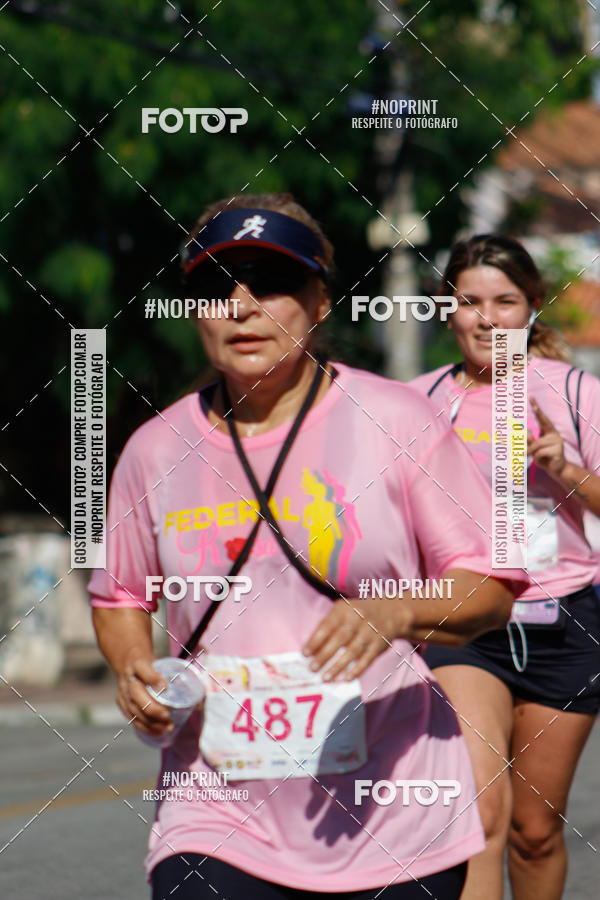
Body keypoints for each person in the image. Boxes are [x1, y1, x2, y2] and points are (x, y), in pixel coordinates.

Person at [89, 195, 525, 900]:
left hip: (395, 816)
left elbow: (490, 588)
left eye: (270, 281)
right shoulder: (153, 450)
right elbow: (120, 594)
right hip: (217, 813)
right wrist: (134, 664)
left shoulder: (395, 421)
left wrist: (397, 614)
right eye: (213, 287)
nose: (241, 305)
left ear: (320, 301)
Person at [411, 234, 600, 900]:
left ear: (532, 306)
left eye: (505, 301)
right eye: (469, 302)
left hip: (567, 622)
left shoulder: (576, 392)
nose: (487, 318)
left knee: (535, 830)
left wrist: (563, 466)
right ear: (448, 310)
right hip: (463, 629)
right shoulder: (416, 400)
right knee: (480, 817)